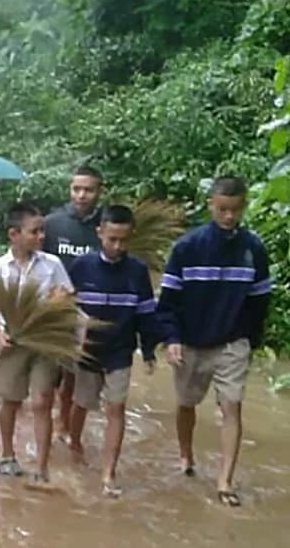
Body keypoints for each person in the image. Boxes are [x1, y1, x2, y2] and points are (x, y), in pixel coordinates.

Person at [157, 176, 270, 507]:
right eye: (223, 209)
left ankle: (225, 482)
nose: (229, 217)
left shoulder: (253, 249)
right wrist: (172, 338)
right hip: (192, 340)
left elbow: (260, 300)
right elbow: (169, 300)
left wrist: (251, 339)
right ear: (211, 206)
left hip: (233, 342)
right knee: (186, 403)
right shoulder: (187, 247)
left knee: (232, 406)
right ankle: (186, 456)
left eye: (235, 210)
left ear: (244, 207)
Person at [66, 205, 166, 497]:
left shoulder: (136, 271)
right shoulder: (82, 267)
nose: (118, 246)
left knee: (116, 408)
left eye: (124, 240)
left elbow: (146, 313)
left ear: (131, 236)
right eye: (112, 239)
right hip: (88, 349)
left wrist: (149, 350)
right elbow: (65, 308)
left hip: (120, 351)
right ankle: (74, 443)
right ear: (100, 233)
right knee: (81, 403)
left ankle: (109, 472)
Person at [0, 202, 73, 484]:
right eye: (35, 231)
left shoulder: (52, 265)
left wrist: (60, 303)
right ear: (14, 234)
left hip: (45, 342)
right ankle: (8, 455)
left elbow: (67, 295)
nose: (41, 236)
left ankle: (42, 467)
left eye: (42, 231)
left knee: (42, 401)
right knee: (11, 400)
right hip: (14, 342)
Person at [44, 165, 104, 441]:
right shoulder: (52, 224)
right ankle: (48, 421)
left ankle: (64, 424)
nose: (81, 195)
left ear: (99, 192)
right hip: (53, 310)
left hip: (90, 311)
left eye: (88, 190)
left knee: (74, 374)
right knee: (48, 373)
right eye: (76, 189)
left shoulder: (105, 227)